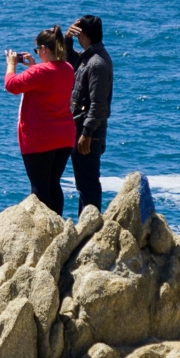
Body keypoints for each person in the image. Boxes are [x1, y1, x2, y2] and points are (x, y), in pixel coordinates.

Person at [4, 25, 76, 216]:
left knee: (39, 188)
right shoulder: (67, 68)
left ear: (44, 49)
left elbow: (11, 85)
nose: (37, 52)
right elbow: (48, 77)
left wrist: (11, 64)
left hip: (40, 138)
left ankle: (43, 232)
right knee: (53, 184)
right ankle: (58, 228)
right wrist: (33, 65)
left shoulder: (39, 73)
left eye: (38, 49)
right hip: (63, 137)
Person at [65, 15, 113, 214]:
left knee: (88, 185)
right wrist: (67, 38)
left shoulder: (97, 64)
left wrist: (87, 133)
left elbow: (99, 104)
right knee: (84, 184)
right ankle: (86, 225)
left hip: (88, 135)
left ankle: (90, 229)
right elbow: (70, 58)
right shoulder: (89, 58)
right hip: (82, 130)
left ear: (82, 34)